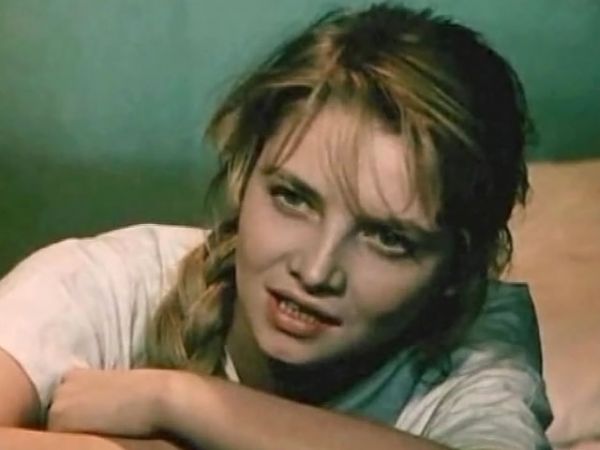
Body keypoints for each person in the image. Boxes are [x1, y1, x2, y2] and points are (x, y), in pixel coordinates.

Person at [0, 3, 552, 449]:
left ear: (457, 269)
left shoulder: (477, 356)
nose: (315, 271)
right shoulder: (112, 283)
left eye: (387, 239)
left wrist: (179, 402)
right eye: (293, 199)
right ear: (245, 175)